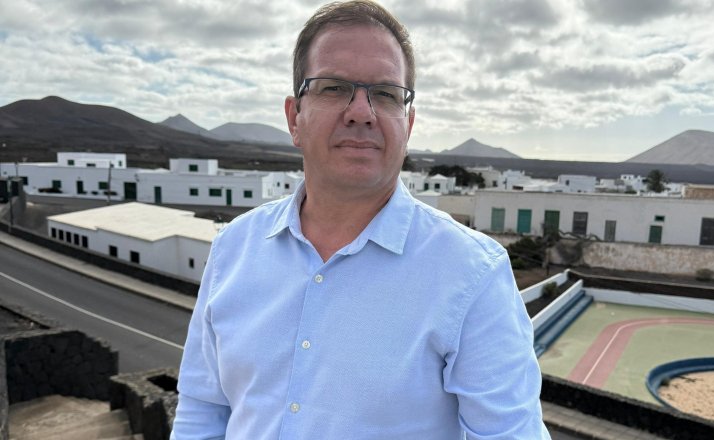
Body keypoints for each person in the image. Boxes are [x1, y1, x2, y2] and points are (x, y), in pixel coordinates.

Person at [171, 1, 550, 438]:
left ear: (408, 125)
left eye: (385, 94)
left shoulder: (473, 275)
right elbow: (203, 408)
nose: (361, 112)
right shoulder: (233, 249)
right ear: (294, 119)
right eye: (334, 88)